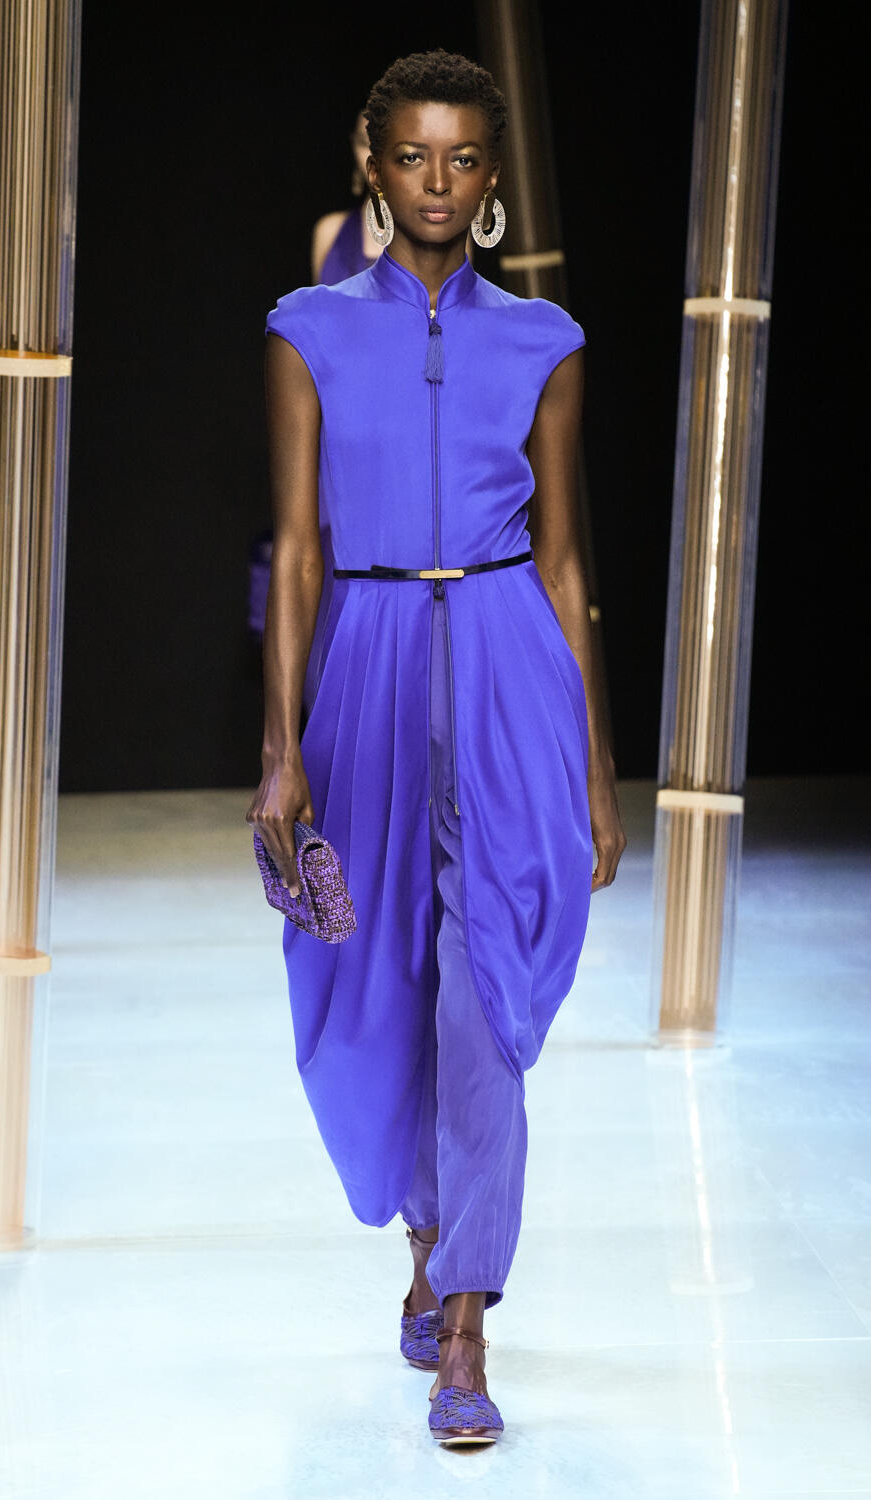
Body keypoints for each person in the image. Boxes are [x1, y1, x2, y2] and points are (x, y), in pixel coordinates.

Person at [246, 47, 626, 1447]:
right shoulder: (308, 330)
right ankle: (424, 1232)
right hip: (368, 660)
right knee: (375, 986)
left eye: (464, 159)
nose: (439, 183)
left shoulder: (545, 340)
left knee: (484, 998)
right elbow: (296, 551)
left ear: (491, 176)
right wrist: (280, 747)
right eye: (413, 156)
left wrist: (595, 766)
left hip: (511, 664)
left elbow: (568, 562)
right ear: (371, 161)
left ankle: (465, 1320)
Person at [310, 111, 384, 285]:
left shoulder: (441, 236)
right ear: (353, 145)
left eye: (389, 144)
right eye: (366, 143)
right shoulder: (331, 232)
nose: (376, 158)